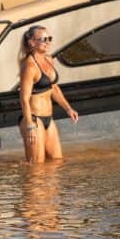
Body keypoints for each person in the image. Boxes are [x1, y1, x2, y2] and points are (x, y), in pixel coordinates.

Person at [18, 25, 78, 163]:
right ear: (32, 42)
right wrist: (29, 124)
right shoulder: (29, 66)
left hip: (48, 118)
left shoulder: (49, 59)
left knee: (56, 161)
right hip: (34, 118)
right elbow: (24, 98)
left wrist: (68, 108)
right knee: (36, 166)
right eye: (44, 39)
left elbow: (54, 88)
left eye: (49, 38)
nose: (48, 42)